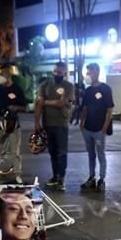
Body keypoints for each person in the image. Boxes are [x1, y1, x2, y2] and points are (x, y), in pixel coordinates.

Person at [33, 61, 74, 189]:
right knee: (52, 152)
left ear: (64, 72)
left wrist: (44, 102)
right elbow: (38, 105)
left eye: (60, 72)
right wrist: (36, 122)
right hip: (47, 123)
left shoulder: (68, 86)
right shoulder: (44, 85)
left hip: (61, 123)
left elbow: (62, 104)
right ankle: (55, 176)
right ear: (52, 71)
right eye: (55, 71)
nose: (57, 74)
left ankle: (61, 178)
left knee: (62, 152)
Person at [0, 62, 28, 183]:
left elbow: (24, 107)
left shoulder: (17, 89)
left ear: (9, 73)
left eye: (3, 72)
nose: (1, 75)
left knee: (15, 151)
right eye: (0, 72)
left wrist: (15, 108)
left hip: (13, 124)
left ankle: (17, 175)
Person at [79, 62, 114, 192]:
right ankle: (91, 177)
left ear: (97, 72)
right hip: (87, 128)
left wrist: (105, 126)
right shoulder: (88, 91)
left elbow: (109, 109)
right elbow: (85, 108)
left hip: (99, 129)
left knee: (100, 154)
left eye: (90, 72)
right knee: (90, 154)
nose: (88, 75)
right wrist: (81, 123)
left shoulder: (105, 89)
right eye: (87, 73)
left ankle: (102, 179)